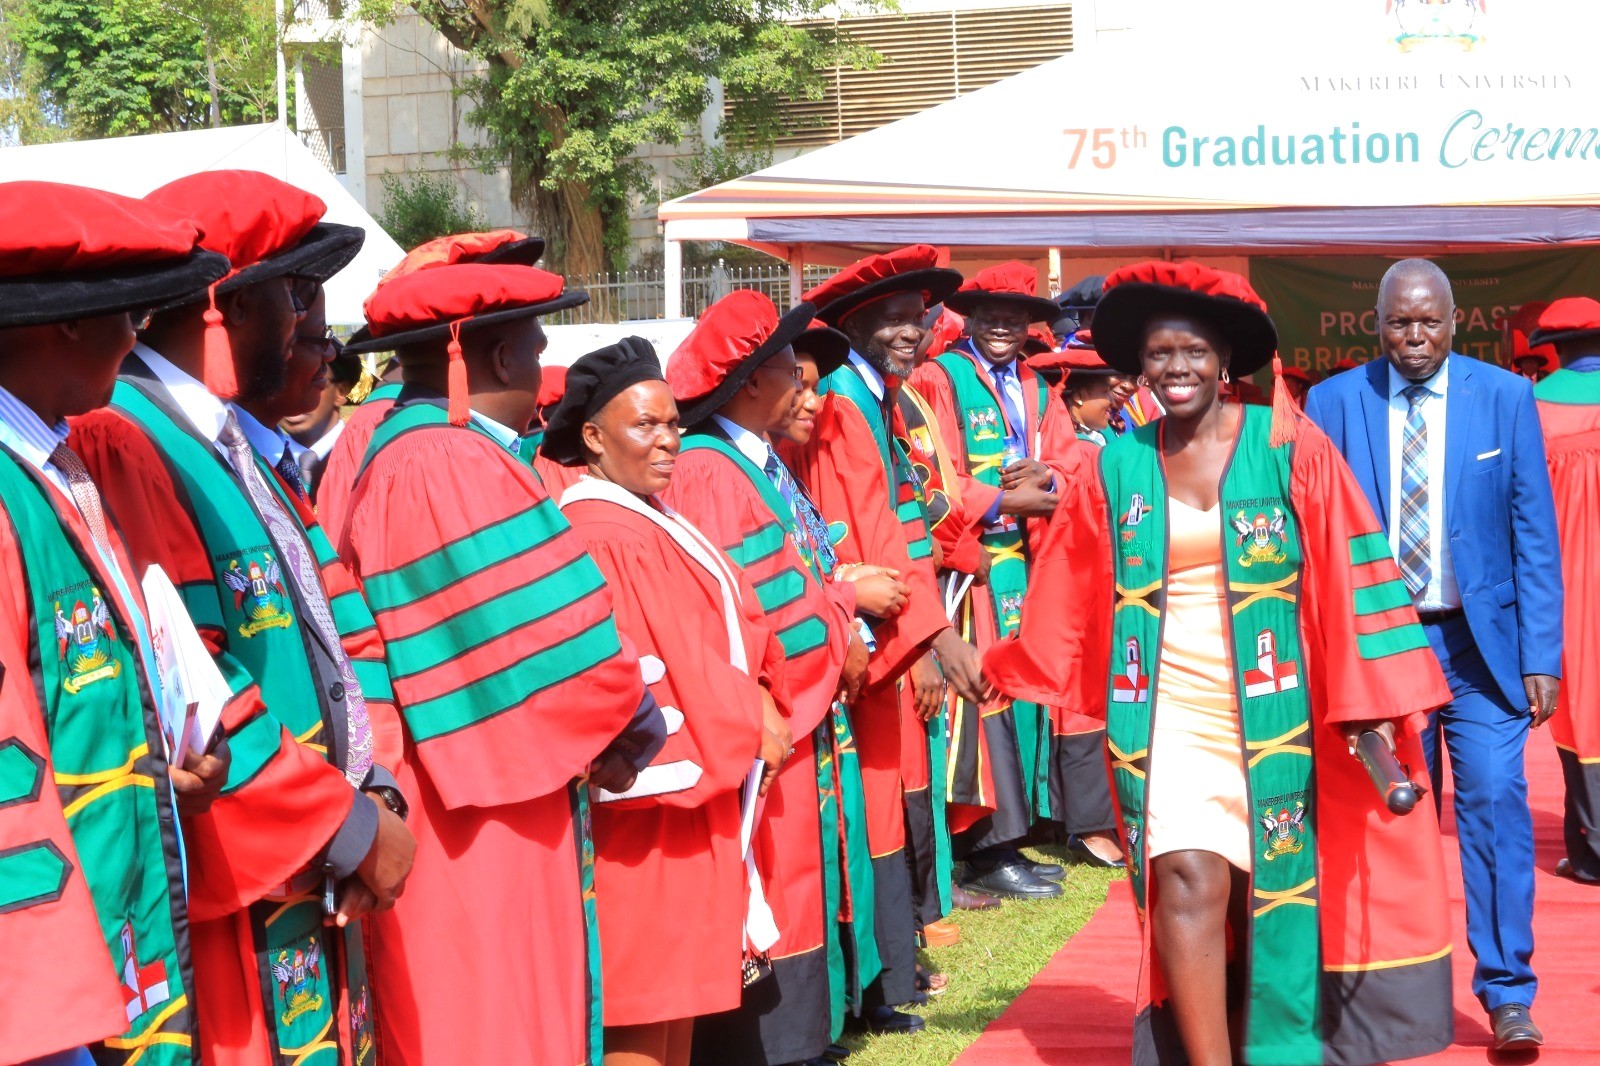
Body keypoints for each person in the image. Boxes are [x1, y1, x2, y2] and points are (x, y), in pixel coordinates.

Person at [986, 260, 1457, 1066]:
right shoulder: (1117, 465)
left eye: (1194, 353)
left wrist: (1371, 696)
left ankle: (1268, 1044)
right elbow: (1071, 583)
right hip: (1162, 707)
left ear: (1225, 361)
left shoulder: (1285, 443)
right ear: (1140, 366)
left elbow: (1348, 567)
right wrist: (1008, 662)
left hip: (1273, 703)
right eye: (1161, 354)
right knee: (1189, 878)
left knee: (1264, 890)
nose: (1177, 369)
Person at [70, 170, 416, 1066]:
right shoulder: (128, 437)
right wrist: (343, 824)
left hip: (320, 849)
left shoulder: (235, 443)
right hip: (244, 869)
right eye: (297, 294)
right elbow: (193, 679)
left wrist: (373, 787)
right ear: (224, 305)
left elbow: (342, 627)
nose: (313, 324)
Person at [337, 250, 666, 1065]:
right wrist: (624, 717)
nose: (542, 362)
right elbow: (530, 639)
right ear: (495, 356)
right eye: (535, 342)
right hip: (473, 810)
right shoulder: (441, 458)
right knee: (490, 1021)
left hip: (488, 783)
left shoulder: (429, 447)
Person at [0, 181, 233, 1065]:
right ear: (62, 322)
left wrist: (157, 755)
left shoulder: (55, 470)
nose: (137, 335)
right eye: (126, 313)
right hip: (44, 983)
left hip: (120, 915)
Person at [1305, 257, 1562, 1052]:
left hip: (1480, 651)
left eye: (1428, 322)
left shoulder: (1506, 398)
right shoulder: (1333, 402)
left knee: (1494, 804)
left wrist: (1541, 652)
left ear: (1456, 322)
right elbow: (1317, 536)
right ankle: (1385, 992)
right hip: (1384, 650)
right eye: (1398, 322)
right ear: (1375, 324)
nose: (1413, 337)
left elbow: (1533, 531)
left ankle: (1507, 993)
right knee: (1390, 820)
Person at [663, 291, 888, 1065]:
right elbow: (752, 605)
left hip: (807, 696)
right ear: (750, 382)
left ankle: (821, 1023)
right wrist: (843, 611)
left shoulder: (753, 461)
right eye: (793, 373)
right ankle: (783, 1043)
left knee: (810, 862)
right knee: (781, 868)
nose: (807, 389)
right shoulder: (708, 469)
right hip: (772, 705)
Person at [545, 338, 784, 1066]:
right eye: (646, 425)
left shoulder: (648, 516)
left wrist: (756, 706)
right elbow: (660, 664)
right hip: (650, 806)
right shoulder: (603, 531)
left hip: (693, 798)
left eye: (674, 423)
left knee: (678, 1005)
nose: (669, 441)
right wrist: (750, 721)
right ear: (592, 437)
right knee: (642, 1011)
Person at [784, 244, 993, 1035]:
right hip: (864, 630)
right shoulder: (837, 400)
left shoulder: (884, 400)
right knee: (867, 810)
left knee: (883, 806)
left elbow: (904, 520)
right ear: (855, 323)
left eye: (919, 316)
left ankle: (885, 977)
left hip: (894, 622)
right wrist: (923, 637)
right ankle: (873, 986)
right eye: (892, 317)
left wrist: (931, 629)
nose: (912, 329)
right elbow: (852, 527)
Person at [913, 261, 1119, 897]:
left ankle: (1014, 835)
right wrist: (1003, 503)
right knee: (981, 700)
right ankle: (983, 848)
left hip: (1028, 565)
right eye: (991, 314)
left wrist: (1047, 477)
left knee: (1019, 691)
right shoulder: (939, 377)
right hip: (972, 565)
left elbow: (1070, 462)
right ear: (970, 318)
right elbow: (929, 475)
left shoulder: (1033, 385)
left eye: (1015, 315)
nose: (1003, 325)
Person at [316, 228, 547, 538]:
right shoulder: (446, 454)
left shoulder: (422, 435)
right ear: (502, 360)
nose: (540, 377)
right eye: (537, 355)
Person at [1527, 298, 1600, 884]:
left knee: (1580, 701)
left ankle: (1591, 848)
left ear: (1555, 346)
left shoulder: (1534, 409)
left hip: (1570, 582)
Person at [282, 323, 361, 499]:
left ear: (341, 392)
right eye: (282, 379)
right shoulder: (257, 462)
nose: (294, 394)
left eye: (312, 380)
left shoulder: (365, 459)